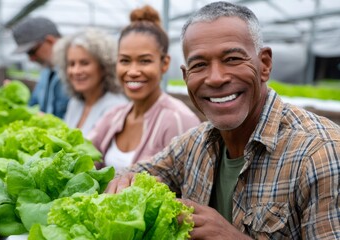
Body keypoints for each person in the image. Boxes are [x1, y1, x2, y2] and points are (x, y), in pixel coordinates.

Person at [105, 1, 340, 239]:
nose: (216, 78)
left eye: (232, 59)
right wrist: (125, 181)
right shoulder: (195, 144)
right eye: (200, 65)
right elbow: (136, 173)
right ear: (186, 77)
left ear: (265, 64)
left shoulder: (320, 153)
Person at [88, 5, 201, 172]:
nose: (132, 72)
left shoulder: (178, 120)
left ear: (164, 64)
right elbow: (85, 154)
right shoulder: (114, 116)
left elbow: (188, 188)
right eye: (125, 61)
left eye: (145, 61)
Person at [52, 28, 128, 136]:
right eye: (71, 64)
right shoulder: (75, 103)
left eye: (84, 63)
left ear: (104, 67)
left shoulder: (116, 108)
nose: (76, 71)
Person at [11, 17, 69, 118]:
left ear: (50, 41)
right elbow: (33, 106)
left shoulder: (76, 75)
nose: (31, 59)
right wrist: (15, 95)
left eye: (32, 52)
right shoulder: (46, 73)